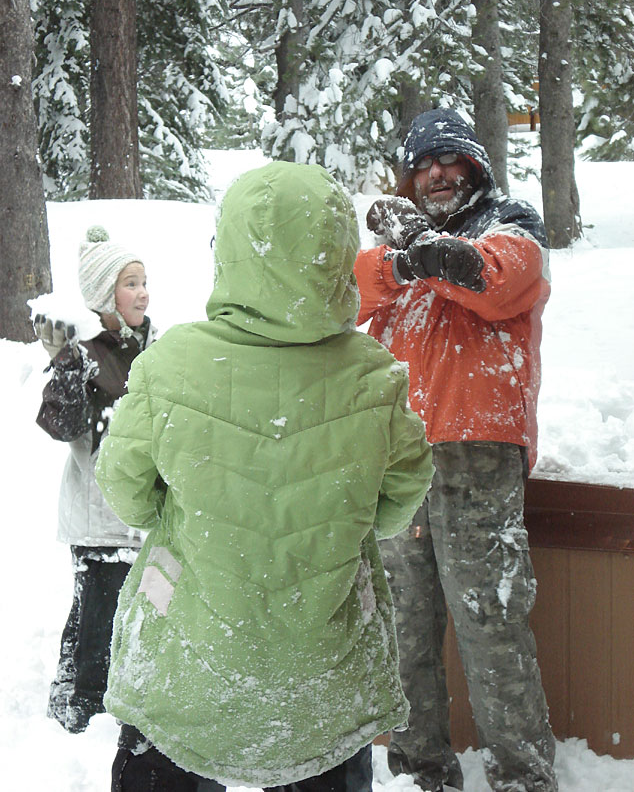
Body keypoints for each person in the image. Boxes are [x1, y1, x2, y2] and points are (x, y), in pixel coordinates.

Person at [94, 161, 434, 792]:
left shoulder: (171, 364)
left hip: (187, 665)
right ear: (337, 253)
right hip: (323, 678)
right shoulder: (375, 376)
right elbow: (397, 502)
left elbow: (126, 492)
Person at [354, 108, 557, 792]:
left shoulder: (512, 225)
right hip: (399, 456)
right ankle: (420, 770)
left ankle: (522, 777)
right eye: (422, 164)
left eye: (451, 159)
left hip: (476, 455)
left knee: (490, 623)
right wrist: (399, 258)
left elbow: (491, 282)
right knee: (405, 622)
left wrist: (416, 247)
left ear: (477, 166)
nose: (437, 173)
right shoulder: (398, 257)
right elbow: (346, 294)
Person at [35, 226, 154, 734]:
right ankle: (84, 713)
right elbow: (61, 425)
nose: (143, 292)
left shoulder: (155, 346)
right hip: (98, 519)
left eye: (145, 281)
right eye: (130, 283)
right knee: (100, 624)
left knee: (99, 617)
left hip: (138, 514)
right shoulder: (87, 355)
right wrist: (64, 366)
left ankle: (69, 702)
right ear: (106, 296)